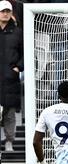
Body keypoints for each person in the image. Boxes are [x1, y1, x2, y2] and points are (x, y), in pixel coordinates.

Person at [0, 0, 23, 152]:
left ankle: (9, 141)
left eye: (8, 11)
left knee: (9, 113)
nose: (5, 13)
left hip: (10, 78)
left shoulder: (18, 32)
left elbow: (25, 53)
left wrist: (18, 67)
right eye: (3, 11)